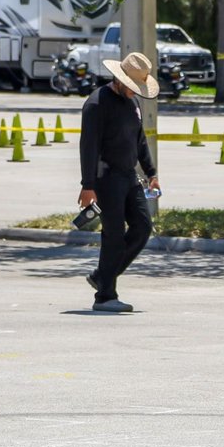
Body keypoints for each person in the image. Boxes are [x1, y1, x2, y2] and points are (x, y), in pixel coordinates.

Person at [78, 52, 161, 313]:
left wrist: (152, 173)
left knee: (142, 227)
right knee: (113, 235)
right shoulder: (97, 104)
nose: (135, 92)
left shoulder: (131, 102)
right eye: (133, 86)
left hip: (128, 176)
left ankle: (103, 276)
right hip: (105, 179)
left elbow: (139, 140)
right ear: (119, 79)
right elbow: (88, 146)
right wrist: (88, 184)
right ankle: (105, 296)